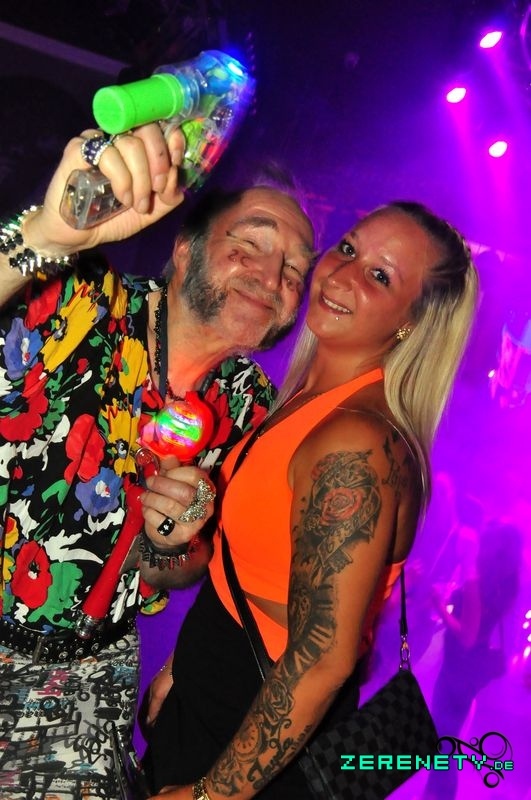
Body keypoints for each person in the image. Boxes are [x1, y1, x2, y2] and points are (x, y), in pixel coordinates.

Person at [0, 123, 316, 799]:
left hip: (89, 680)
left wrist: (172, 544)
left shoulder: (253, 412)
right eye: (251, 245)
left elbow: (185, 568)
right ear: (185, 247)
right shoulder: (85, 299)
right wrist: (47, 235)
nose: (271, 278)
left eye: (293, 270)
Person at [141, 199, 479, 799]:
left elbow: (323, 658)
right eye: (348, 249)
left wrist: (212, 795)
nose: (343, 275)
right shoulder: (306, 401)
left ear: (412, 322)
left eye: (380, 276)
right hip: (214, 694)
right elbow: (254, 573)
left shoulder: (355, 441)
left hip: (248, 734)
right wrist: (183, 666)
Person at [423, 518, 523, 800]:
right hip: (471, 671)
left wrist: (439, 606)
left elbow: (467, 636)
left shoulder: (478, 580)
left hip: (459, 669)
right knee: (445, 737)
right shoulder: (506, 582)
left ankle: (438, 795)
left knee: (443, 739)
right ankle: (433, 793)